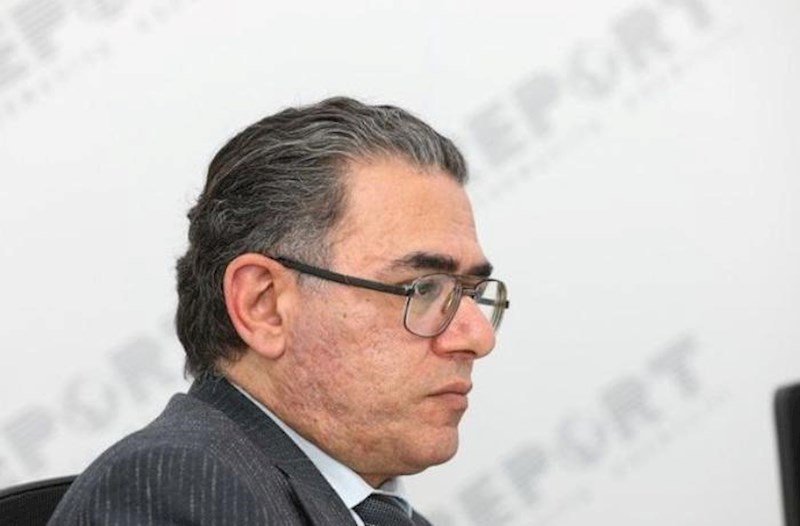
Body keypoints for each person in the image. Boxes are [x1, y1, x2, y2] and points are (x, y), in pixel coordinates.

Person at [50, 97, 510, 525]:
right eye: (424, 289)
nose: (478, 337)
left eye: (472, 293)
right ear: (264, 306)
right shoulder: (176, 490)